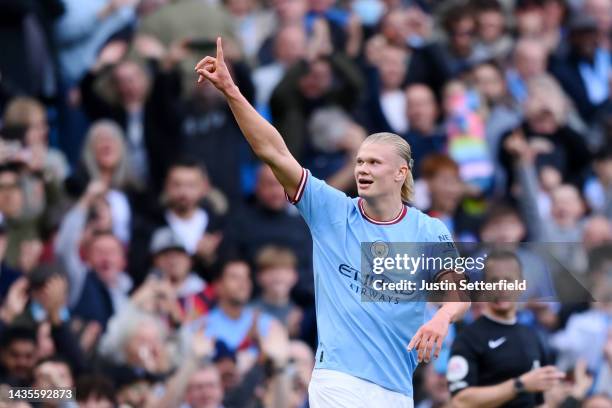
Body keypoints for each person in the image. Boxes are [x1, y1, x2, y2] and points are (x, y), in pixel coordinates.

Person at [194, 37, 470, 407]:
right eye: (359, 162)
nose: (362, 169)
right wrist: (231, 91)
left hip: (397, 389)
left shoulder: (427, 230)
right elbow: (273, 151)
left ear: (401, 173)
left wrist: (442, 318)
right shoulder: (331, 210)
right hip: (337, 380)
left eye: (374, 162)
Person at [447, 251, 565, 408]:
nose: (502, 288)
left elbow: (539, 400)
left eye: (508, 281)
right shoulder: (468, 338)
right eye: (494, 282)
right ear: (483, 287)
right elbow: (460, 401)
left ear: (522, 285)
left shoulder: (533, 336)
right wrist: (519, 385)